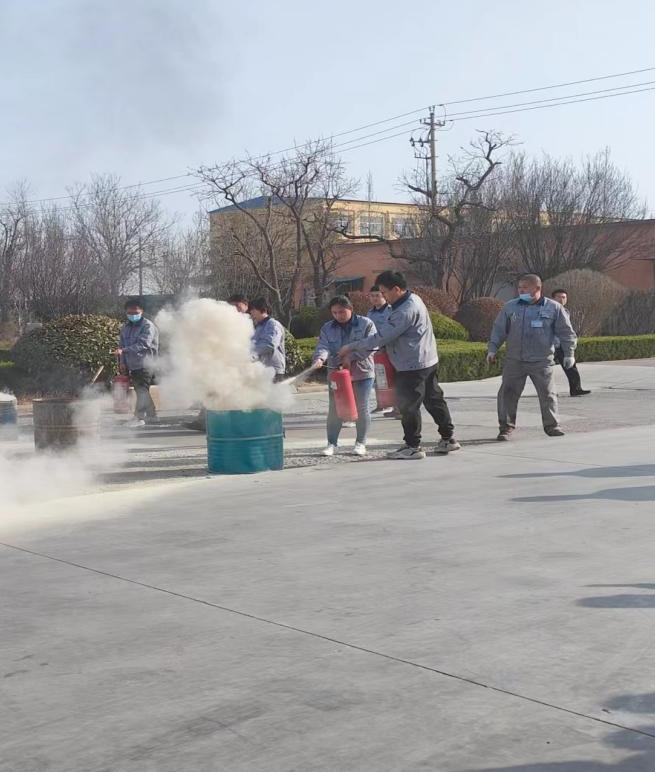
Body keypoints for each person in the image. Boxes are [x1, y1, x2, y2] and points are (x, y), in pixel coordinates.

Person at [339, 270, 460, 460]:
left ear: (396, 289)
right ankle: (448, 438)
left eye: (384, 292)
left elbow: (382, 337)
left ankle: (413, 446)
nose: (383, 297)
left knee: (408, 406)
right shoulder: (413, 299)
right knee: (434, 399)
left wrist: (351, 347)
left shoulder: (405, 311)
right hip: (427, 360)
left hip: (411, 365)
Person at [487, 274, 577, 441]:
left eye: (525, 288)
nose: (521, 291)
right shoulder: (510, 307)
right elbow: (499, 330)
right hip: (515, 360)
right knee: (507, 394)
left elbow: (566, 332)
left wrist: (569, 353)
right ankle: (505, 428)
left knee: (548, 394)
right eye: (519, 288)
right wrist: (492, 349)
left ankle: (552, 426)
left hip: (542, 360)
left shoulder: (554, 308)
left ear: (537, 288)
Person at [310, 296, 377, 457]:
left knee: (361, 407)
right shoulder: (328, 327)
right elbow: (323, 345)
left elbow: (372, 345)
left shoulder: (366, 324)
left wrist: (351, 357)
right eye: (334, 312)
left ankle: (360, 443)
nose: (338, 315)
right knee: (334, 408)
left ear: (350, 309)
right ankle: (331, 443)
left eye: (341, 312)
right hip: (337, 375)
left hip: (362, 373)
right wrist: (320, 359)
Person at [116, 298, 159, 428]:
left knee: (141, 391)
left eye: (136, 312)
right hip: (132, 365)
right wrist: (122, 362)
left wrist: (124, 350)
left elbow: (143, 344)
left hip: (146, 364)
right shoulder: (125, 327)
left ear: (142, 311)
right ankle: (152, 416)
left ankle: (139, 417)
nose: (133, 315)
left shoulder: (147, 326)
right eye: (130, 313)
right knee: (141, 390)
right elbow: (121, 345)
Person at [551, 289, 591, 397]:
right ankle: (547, 391)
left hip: (562, 345)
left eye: (564, 297)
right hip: (550, 345)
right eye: (559, 297)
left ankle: (576, 389)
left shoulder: (566, 311)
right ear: (553, 299)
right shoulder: (549, 311)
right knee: (544, 370)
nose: (561, 299)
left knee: (571, 367)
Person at [366, 285, 393, 414]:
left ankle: (391, 404)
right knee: (377, 377)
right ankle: (381, 404)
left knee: (389, 377)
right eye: (372, 296)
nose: (375, 298)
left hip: (387, 349)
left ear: (384, 296)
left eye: (377, 295)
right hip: (374, 350)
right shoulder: (370, 313)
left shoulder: (390, 311)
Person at [249, 297, 286, 381]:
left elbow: (270, 344)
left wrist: (251, 354)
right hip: (263, 369)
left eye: (253, 309)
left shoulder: (273, 324)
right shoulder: (258, 327)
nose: (251, 312)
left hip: (274, 369)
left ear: (262, 309)